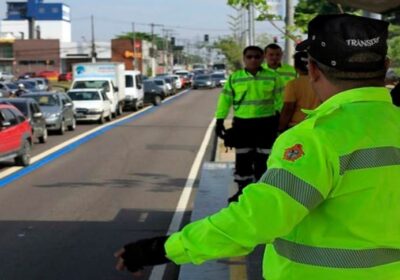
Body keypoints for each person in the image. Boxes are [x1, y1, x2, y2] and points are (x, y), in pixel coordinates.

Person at [115, 14, 400, 279]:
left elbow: (253, 223)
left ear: (312, 69)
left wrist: (161, 249)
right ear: (385, 67)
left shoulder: (316, 139)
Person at [214, 45, 279, 203]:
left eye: (257, 57)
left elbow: (280, 100)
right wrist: (220, 120)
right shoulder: (235, 78)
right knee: (243, 159)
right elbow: (225, 99)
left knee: (263, 159)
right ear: (244, 59)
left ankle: (261, 193)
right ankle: (242, 192)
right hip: (243, 125)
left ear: (262, 58)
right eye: (249, 57)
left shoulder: (272, 77)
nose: (253, 60)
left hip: (266, 124)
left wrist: (281, 122)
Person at [278, 51, 320, 132]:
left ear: (295, 67)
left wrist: (281, 128)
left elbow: (288, 108)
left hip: (297, 126)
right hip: (316, 124)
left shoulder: (293, 84)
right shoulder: (321, 82)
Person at [263, 43, 297, 112]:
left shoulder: (292, 71)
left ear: (281, 55)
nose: (275, 57)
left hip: (287, 111)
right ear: (265, 55)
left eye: (277, 54)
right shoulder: (259, 71)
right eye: (271, 55)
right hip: (266, 113)